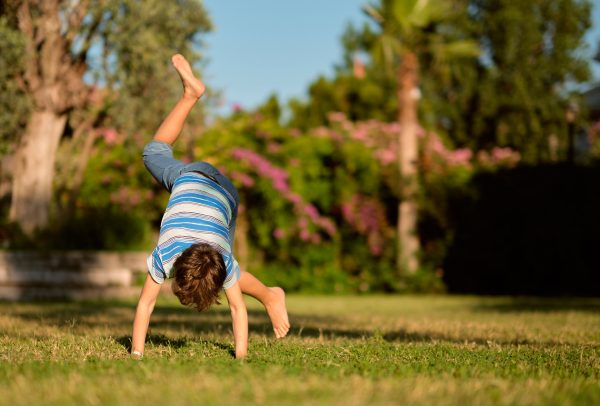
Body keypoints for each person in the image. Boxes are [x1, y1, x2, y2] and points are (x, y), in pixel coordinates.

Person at [131, 54, 290, 359]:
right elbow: (236, 307)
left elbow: (145, 305)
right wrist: (240, 356)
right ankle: (270, 296)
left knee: (154, 152)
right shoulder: (176, 254)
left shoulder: (168, 254)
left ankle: (190, 96)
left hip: (209, 187)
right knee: (154, 153)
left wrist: (136, 354)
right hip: (213, 187)